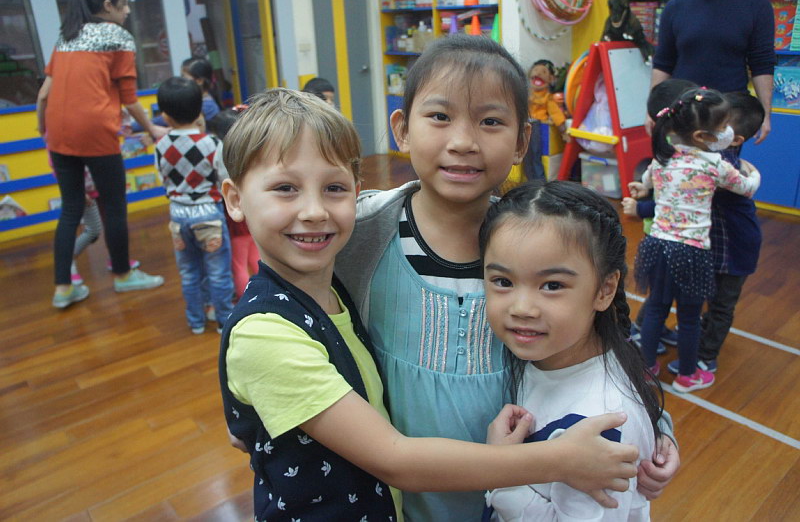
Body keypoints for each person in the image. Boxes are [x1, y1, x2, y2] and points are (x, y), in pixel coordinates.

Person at [218, 88, 639, 521]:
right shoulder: (266, 331)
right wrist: (561, 460)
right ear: (234, 198)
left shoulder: (333, 290)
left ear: (356, 194)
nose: (313, 211)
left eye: (334, 188)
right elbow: (395, 459)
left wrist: (645, 428)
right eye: (285, 189)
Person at [335, 35, 680, 521]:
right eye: (440, 116)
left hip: (516, 503)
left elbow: (595, 353)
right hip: (394, 500)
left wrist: (654, 428)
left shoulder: (541, 242)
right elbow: (284, 308)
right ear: (402, 130)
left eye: (490, 121)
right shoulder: (359, 232)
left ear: (521, 141)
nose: (463, 142)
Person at [482, 180, 663, 521]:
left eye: (552, 285)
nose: (522, 308)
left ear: (605, 290)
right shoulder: (540, 351)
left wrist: (502, 473)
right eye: (503, 282)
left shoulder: (603, 423)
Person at [36, 0, 165, 309]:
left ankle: (62, 288)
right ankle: (123, 275)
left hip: (58, 131)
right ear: (108, 6)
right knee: (114, 205)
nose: (128, 12)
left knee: (70, 209)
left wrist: (43, 129)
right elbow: (129, 99)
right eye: (125, 4)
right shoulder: (118, 37)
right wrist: (152, 129)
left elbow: (43, 95)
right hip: (94, 131)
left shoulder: (67, 37)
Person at [629, 87, 761, 393]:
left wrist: (641, 189)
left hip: (657, 246)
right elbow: (746, 188)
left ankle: (647, 368)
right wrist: (753, 173)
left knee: (657, 308)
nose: (728, 131)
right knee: (689, 317)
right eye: (723, 126)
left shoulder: (662, 158)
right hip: (692, 252)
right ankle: (688, 377)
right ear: (703, 135)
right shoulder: (715, 165)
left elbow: (646, 181)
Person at [667, 91, 766, 376]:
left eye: (720, 124)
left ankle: (706, 357)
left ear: (735, 139)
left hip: (736, 247)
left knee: (722, 304)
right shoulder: (711, 158)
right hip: (715, 242)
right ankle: (699, 334)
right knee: (704, 294)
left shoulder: (718, 166)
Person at [155, 77, 233, 334]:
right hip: (209, 213)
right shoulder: (212, 144)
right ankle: (223, 320)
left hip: (178, 214)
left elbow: (163, 179)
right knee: (218, 272)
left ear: (165, 116)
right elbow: (224, 179)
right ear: (199, 110)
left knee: (189, 272)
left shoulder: (160, 146)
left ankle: (196, 321)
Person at [625, 79, 698, 353]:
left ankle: (647, 332)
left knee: (661, 297)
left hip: (664, 233)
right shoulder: (679, 150)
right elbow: (672, 201)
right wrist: (642, 205)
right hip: (665, 234)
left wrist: (645, 193)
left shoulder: (672, 143)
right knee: (661, 298)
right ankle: (644, 336)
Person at [650, 0, 776, 143]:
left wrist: (765, 115)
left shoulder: (756, 3)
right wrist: (651, 110)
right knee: (680, 159)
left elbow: (762, 64)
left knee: (721, 159)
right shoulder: (675, 6)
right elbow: (663, 63)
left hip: (727, 116)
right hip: (682, 112)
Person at [207, 107, 260, 299]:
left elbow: (221, 179)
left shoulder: (221, 150)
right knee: (255, 256)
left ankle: (246, 300)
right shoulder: (249, 147)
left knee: (238, 263)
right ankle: (266, 291)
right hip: (252, 208)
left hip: (235, 213)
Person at [522, 59, 567, 181]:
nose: (538, 73)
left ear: (551, 79)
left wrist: (563, 129)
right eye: (536, 71)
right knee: (526, 157)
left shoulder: (548, 98)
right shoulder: (526, 94)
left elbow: (556, 113)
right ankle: (530, 181)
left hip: (537, 126)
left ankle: (539, 181)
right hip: (524, 125)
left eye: (543, 72)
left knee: (535, 155)